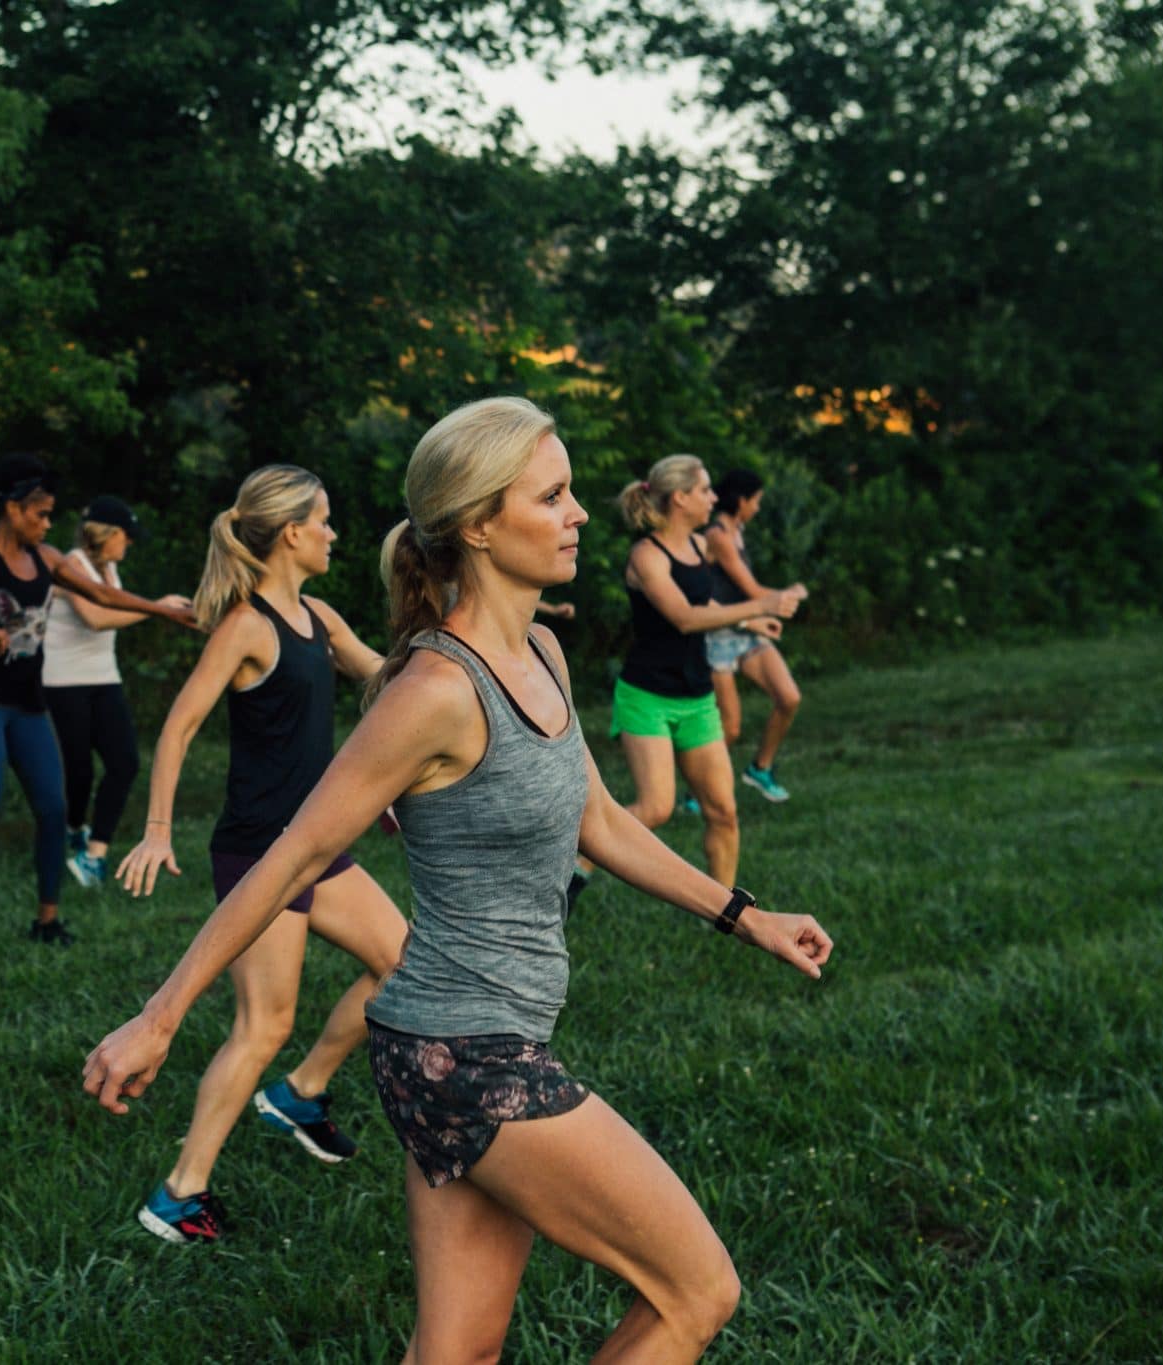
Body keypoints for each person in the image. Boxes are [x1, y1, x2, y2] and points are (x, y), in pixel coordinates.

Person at [83, 397, 834, 1361]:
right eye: (553, 496)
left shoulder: (544, 651)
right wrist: (161, 1012)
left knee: (458, 1353)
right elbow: (294, 856)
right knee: (697, 1291)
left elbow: (599, 821)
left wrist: (747, 914)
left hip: (455, 1044)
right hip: (466, 1058)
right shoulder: (435, 691)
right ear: (479, 523)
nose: (578, 515)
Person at [112, 463, 408, 1244]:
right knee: (262, 1024)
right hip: (260, 857)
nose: (335, 533)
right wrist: (157, 830)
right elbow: (178, 727)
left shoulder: (319, 617)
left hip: (320, 850)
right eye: (326, 519)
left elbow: (388, 679)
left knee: (408, 965)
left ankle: (303, 1093)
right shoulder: (247, 626)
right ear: (291, 534)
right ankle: (179, 1192)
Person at [0, 454, 197, 947]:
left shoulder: (47, 559)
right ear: (10, 509)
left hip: (28, 701)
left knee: (52, 806)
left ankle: (47, 921)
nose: (48, 524)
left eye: (50, 514)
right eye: (39, 514)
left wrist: (163, 611)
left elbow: (101, 595)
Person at [571, 454, 806, 904]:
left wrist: (749, 625)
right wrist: (761, 607)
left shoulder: (700, 547)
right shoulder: (646, 555)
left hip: (696, 696)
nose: (714, 498)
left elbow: (707, 610)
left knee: (723, 812)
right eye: (705, 490)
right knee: (656, 807)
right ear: (680, 498)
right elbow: (682, 616)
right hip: (647, 695)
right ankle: (578, 863)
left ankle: (726, 912)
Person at [42, 495, 191, 890]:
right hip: (63, 681)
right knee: (78, 771)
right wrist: (157, 608)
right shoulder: (71, 565)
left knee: (124, 762)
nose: (130, 543)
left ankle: (94, 856)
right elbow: (96, 618)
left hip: (104, 679)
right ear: (104, 535)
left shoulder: (109, 568)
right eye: (126, 536)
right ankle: (74, 827)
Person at [703, 470, 804, 803]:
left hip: (748, 628)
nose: (758, 508)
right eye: (756, 501)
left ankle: (760, 768)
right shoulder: (718, 535)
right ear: (741, 500)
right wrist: (787, 596)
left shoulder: (738, 530)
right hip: (720, 635)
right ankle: (698, 789)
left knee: (788, 697)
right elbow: (753, 590)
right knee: (729, 728)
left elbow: (751, 596)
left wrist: (764, 614)